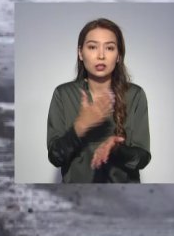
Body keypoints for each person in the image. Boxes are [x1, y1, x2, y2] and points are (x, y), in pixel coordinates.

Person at [47, 18, 151, 183]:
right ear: (80, 53)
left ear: (118, 56)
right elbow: (55, 157)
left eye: (109, 48)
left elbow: (143, 158)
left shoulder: (135, 95)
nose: (101, 55)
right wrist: (80, 126)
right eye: (92, 47)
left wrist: (116, 149)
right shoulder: (63, 94)